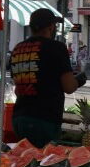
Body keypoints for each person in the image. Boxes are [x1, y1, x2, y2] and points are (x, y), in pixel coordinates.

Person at [10, 8, 85, 145]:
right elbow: (68, 86)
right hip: (44, 120)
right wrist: (79, 80)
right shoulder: (56, 48)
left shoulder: (18, 49)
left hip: (19, 119)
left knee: (26, 160)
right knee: (43, 162)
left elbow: (17, 88)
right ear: (51, 27)